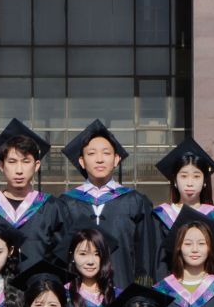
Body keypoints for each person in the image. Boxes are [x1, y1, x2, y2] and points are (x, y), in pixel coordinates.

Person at [58, 120, 155, 291]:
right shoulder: (67, 203)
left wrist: (140, 297)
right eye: (92, 153)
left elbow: (145, 257)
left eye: (106, 153)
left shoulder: (135, 201)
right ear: (82, 161)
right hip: (78, 297)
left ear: (116, 159)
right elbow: (61, 258)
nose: (99, 159)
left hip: (123, 292)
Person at [0, 117, 65, 266]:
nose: (19, 170)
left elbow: (61, 256)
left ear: (36, 165)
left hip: (38, 280)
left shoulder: (52, 207)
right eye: (12, 162)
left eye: (26, 161)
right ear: (1, 165)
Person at [151, 139, 214, 287]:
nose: (190, 183)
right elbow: (158, 263)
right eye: (184, 176)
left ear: (205, 181)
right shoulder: (160, 217)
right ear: (175, 181)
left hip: (209, 293)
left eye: (196, 176)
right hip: (171, 292)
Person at [63, 225, 120, 307]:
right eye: (83, 254)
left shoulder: (116, 296)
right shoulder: (62, 295)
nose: (90, 261)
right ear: (72, 256)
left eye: (97, 254)